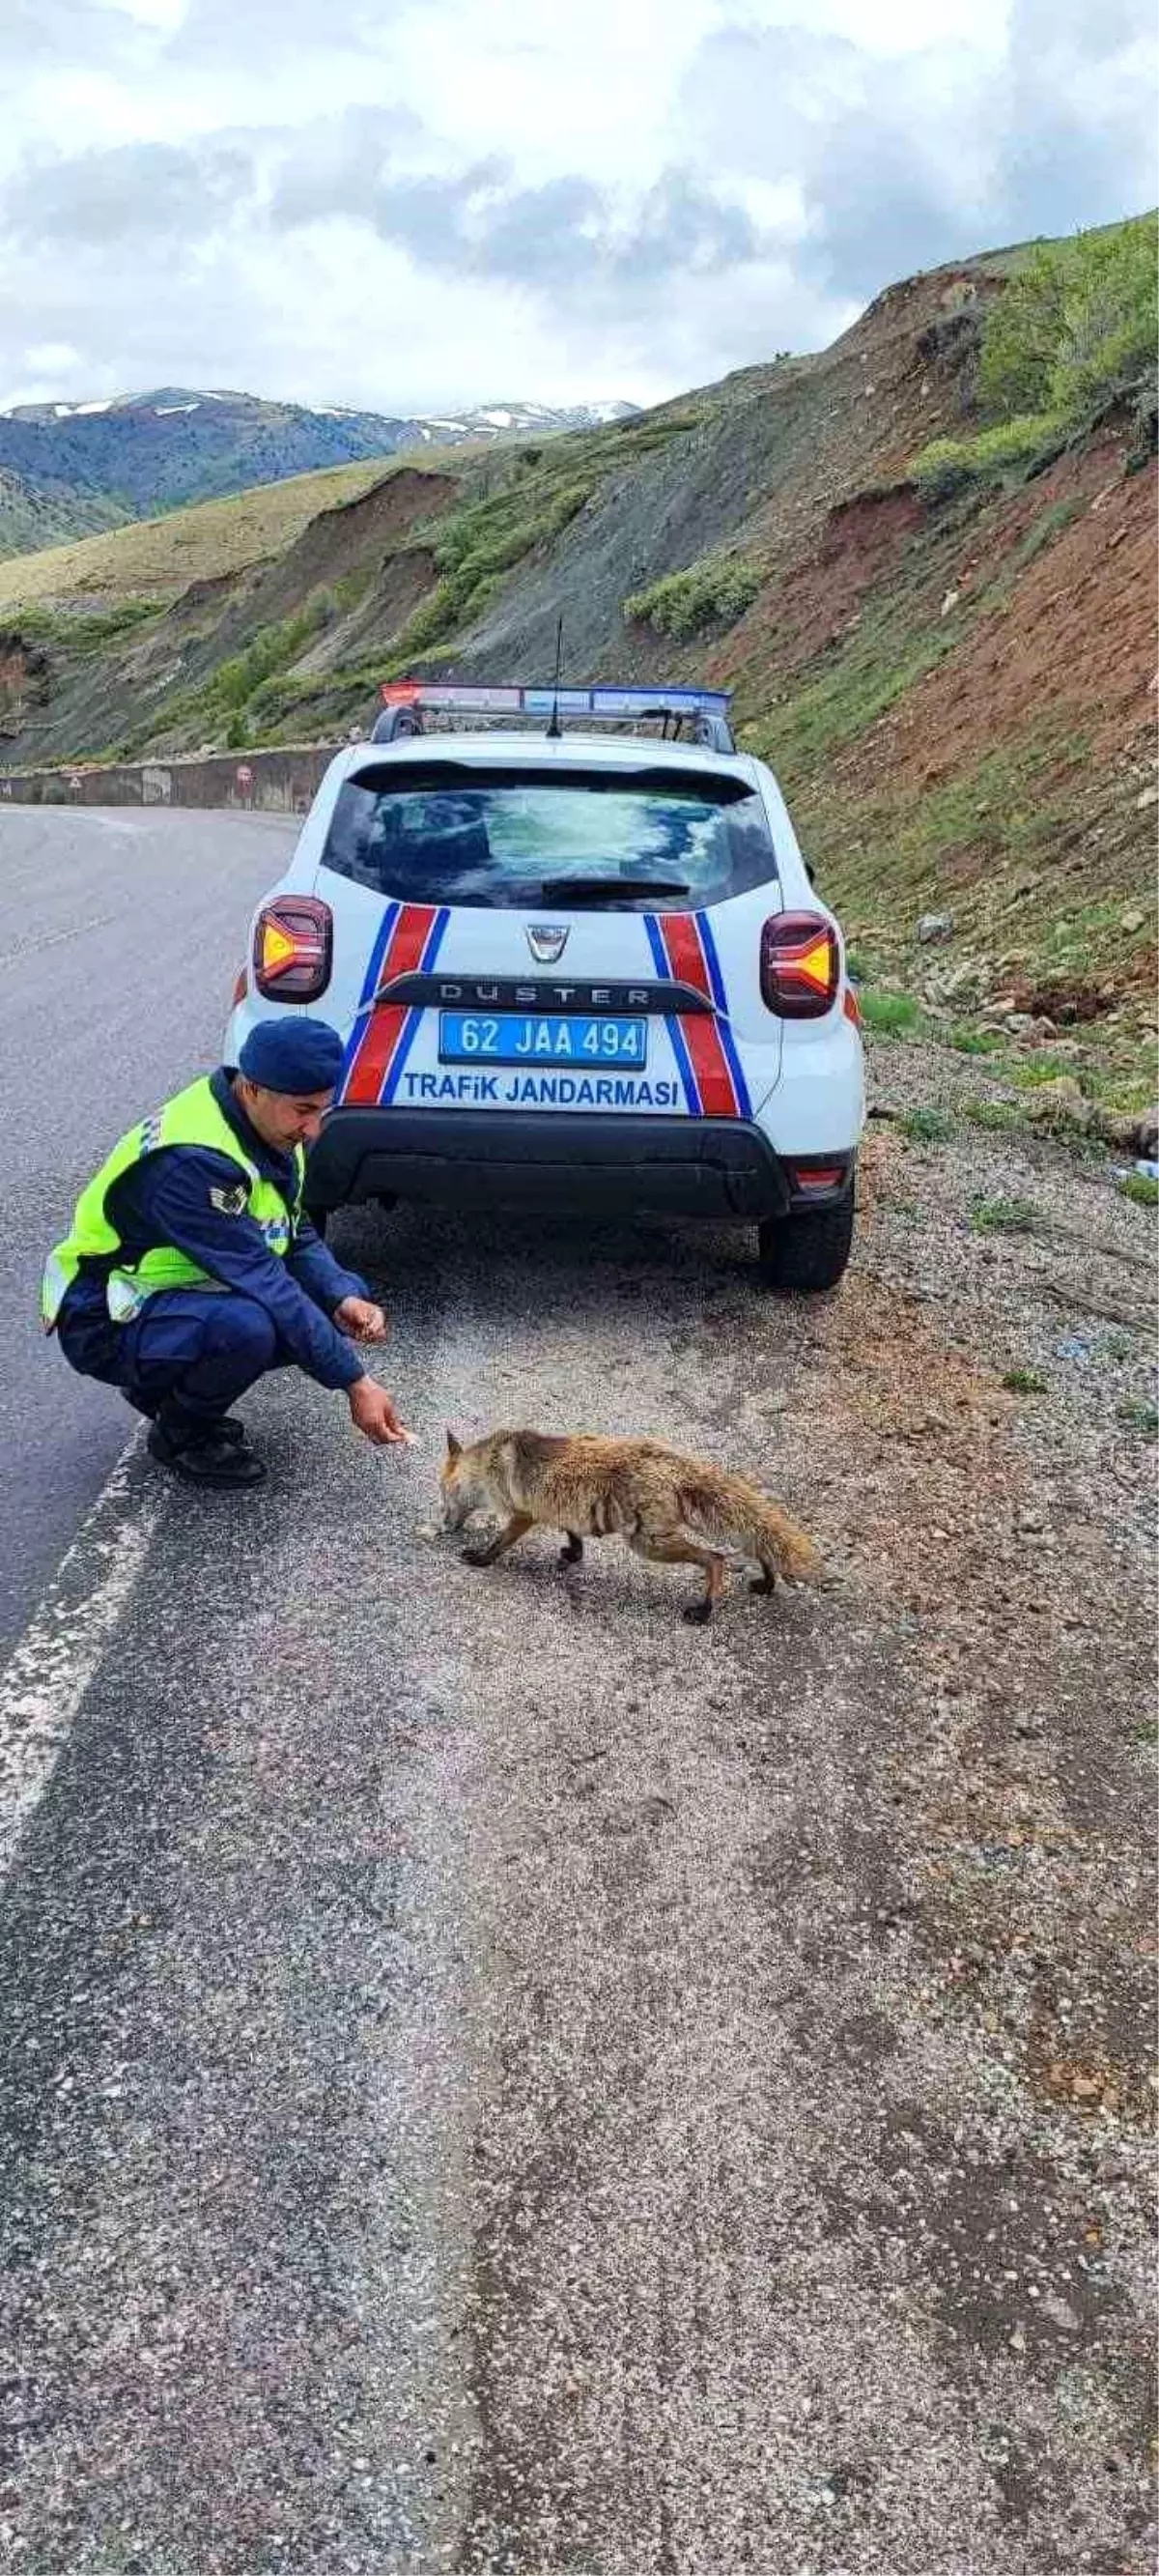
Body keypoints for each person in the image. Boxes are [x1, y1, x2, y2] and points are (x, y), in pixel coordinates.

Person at [42, 1017, 410, 1489]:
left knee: (324, 1305)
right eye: (304, 1110)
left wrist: (341, 1295)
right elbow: (266, 1280)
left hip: (170, 1296)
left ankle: (163, 1389)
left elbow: (292, 1233)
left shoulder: (267, 1129)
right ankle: (180, 1435)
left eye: (323, 1109)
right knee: (250, 1327)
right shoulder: (194, 1162)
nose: (315, 1129)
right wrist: (355, 1382)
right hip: (104, 1316)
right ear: (253, 1089)